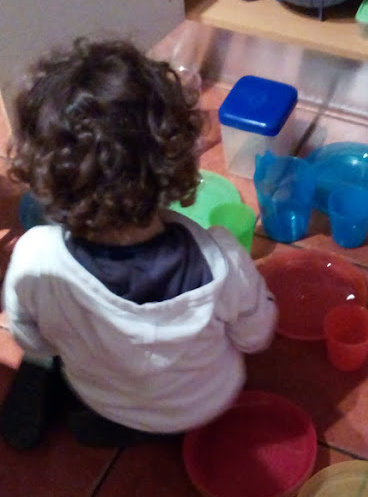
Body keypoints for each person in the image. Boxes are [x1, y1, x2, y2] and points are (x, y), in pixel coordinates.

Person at [1, 38, 277, 449]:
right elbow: (256, 336)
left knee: (67, 364)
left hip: (101, 394)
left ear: (43, 176)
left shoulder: (35, 257)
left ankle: (109, 417)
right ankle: (159, 425)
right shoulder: (221, 258)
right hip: (204, 403)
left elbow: (32, 339)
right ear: (177, 161)